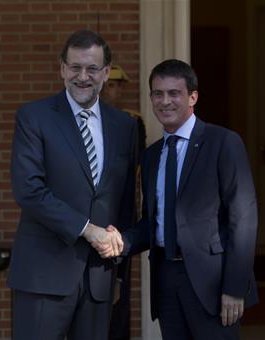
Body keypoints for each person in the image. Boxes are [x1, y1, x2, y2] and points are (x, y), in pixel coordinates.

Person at [7, 30, 138, 340]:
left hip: (99, 278)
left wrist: (118, 270)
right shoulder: (34, 117)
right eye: (75, 67)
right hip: (43, 274)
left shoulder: (125, 126)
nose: (83, 76)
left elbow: (125, 200)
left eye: (92, 69)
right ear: (62, 68)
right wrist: (87, 229)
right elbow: (29, 190)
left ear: (106, 73)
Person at [122, 59, 258, 340]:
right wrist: (119, 241)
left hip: (213, 283)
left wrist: (234, 287)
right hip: (166, 280)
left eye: (174, 93)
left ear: (193, 97)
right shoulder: (151, 155)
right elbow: (153, 222)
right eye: (158, 94)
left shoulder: (223, 142)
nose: (165, 101)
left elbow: (243, 218)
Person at [101, 65, 146, 340]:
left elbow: (134, 164)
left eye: (117, 86)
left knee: (119, 289)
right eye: (108, 85)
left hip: (119, 208)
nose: (112, 90)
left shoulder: (131, 120)